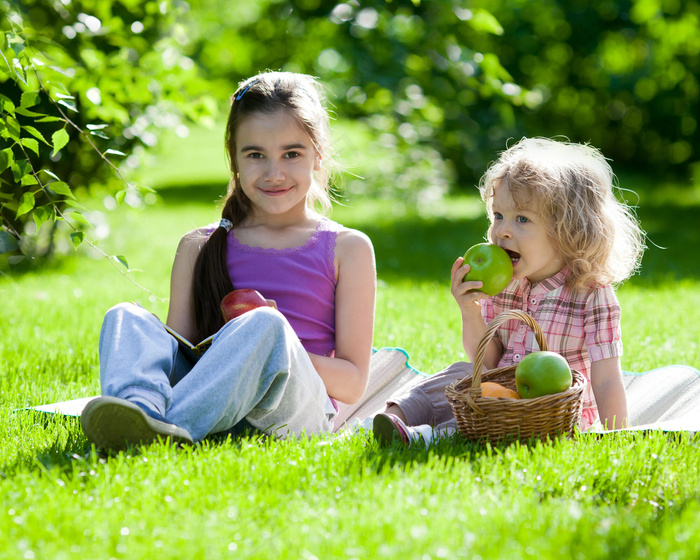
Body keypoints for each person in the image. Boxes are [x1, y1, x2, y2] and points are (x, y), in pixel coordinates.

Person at [80, 71, 376, 450]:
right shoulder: (199, 245)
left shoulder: (346, 248)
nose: (274, 172)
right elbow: (180, 354)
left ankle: (165, 428)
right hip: (213, 408)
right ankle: (140, 412)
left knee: (265, 326)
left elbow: (352, 383)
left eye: (292, 153)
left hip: (293, 413)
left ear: (318, 156)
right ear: (234, 159)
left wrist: (268, 348)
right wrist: (230, 347)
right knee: (125, 316)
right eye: (255, 155)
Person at [373, 137, 645, 446]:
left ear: (567, 231)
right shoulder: (504, 284)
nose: (501, 230)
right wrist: (470, 310)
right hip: (501, 399)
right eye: (498, 215)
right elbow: (488, 363)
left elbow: (607, 377)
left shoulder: (591, 293)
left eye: (522, 219)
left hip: (552, 413)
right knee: (461, 374)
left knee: (479, 419)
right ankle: (390, 417)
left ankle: (427, 438)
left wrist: (617, 438)